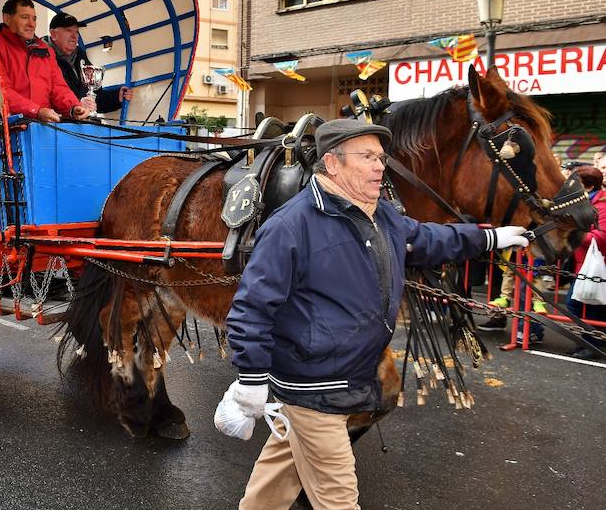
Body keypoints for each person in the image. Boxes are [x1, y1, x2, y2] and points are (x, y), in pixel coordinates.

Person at [219, 120, 530, 510]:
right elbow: (251, 307)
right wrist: (250, 378)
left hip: (343, 376)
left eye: (381, 158)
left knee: (275, 483)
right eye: (366, 157)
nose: (379, 167)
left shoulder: (380, 214)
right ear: (332, 164)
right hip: (314, 387)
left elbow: (428, 239)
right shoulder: (291, 226)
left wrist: (490, 237)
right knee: (339, 500)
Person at [0, 0, 94, 123]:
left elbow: (58, 87)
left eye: (34, 19)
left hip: (42, 127)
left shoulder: (46, 50)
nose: (31, 24)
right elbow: (0, 91)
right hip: (6, 128)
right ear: (7, 18)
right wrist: (36, 111)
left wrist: (74, 107)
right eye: (24, 17)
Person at [47, 12, 132, 114]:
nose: (74, 35)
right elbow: (43, 97)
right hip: (53, 125)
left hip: (80, 125)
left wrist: (117, 97)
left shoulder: (81, 57)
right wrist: (76, 105)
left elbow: (95, 97)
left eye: (77, 31)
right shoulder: (41, 58)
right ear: (53, 34)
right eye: (68, 30)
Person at [565, 165, 606, 359]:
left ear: (586, 186)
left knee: (579, 304)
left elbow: (601, 237)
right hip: (584, 263)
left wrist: (575, 233)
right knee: (586, 304)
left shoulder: (602, 205)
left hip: (595, 266)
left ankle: (592, 344)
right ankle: (588, 341)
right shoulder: (588, 202)